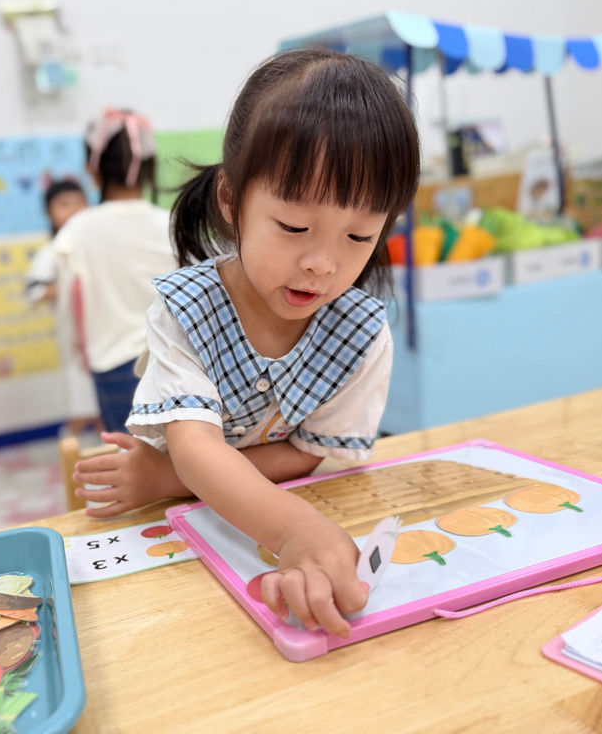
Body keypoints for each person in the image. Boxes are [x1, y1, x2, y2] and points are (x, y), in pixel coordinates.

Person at [73, 49, 419, 638]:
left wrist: (164, 477)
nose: (321, 263)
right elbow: (195, 447)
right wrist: (292, 529)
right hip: (183, 545)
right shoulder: (187, 311)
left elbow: (307, 454)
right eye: (294, 227)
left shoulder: (360, 334)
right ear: (232, 200)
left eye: (360, 236)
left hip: (279, 516)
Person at [52, 108, 178, 433]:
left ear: (92, 170)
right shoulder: (171, 225)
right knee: (184, 457)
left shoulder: (77, 230)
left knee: (128, 459)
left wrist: (75, 361)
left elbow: (67, 310)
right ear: (150, 166)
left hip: (112, 366)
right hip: (176, 361)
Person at [24, 179, 100, 435]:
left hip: (106, 338)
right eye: (64, 204)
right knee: (83, 410)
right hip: (75, 345)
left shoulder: (98, 245)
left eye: (80, 202)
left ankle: (108, 456)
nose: (74, 210)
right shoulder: (52, 251)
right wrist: (69, 286)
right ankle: (69, 449)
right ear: (49, 213)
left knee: (105, 412)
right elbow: (34, 290)